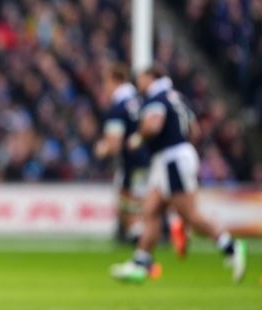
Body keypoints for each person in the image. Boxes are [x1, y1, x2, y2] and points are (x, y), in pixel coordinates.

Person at [109, 65, 246, 283]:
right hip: (172, 156)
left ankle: (230, 246)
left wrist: (138, 140)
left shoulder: (157, 97)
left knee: (190, 216)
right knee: (151, 210)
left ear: (152, 77)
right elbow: (194, 131)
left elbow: (153, 126)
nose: (139, 83)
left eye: (142, 78)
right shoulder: (176, 97)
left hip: (171, 159)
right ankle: (141, 263)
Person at [95, 63, 188, 255]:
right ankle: (164, 231)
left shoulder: (119, 107)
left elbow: (114, 143)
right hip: (152, 158)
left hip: (135, 161)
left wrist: (102, 149)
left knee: (130, 203)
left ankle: (141, 239)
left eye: (106, 82)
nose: (104, 86)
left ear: (115, 80)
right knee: (154, 200)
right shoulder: (140, 100)